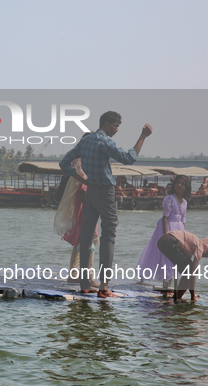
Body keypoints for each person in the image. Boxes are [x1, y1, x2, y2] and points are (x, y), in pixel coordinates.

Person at [59, 111, 152, 298]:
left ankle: (85, 284)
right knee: (108, 235)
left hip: (91, 190)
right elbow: (128, 158)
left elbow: (64, 163)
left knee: (86, 237)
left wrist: (80, 177)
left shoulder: (86, 141)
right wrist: (142, 136)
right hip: (105, 193)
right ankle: (104, 287)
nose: (117, 130)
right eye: (116, 126)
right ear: (106, 124)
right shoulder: (104, 141)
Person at [54, 132, 99, 286]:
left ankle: (74, 274)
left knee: (81, 240)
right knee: (92, 239)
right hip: (85, 206)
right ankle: (89, 276)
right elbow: (84, 185)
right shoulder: (85, 161)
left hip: (81, 205)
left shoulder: (78, 159)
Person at [137, 175, 191, 285]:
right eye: (177, 182)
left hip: (179, 230)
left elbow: (183, 219)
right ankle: (147, 279)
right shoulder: (169, 199)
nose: (179, 185)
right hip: (167, 227)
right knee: (160, 254)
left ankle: (169, 284)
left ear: (186, 188)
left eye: (182, 183)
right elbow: (165, 218)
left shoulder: (184, 202)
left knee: (175, 256)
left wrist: (185, 236)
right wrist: (166, 234)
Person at [157, 230, 208, 301]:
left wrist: (192, 293)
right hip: (170, 241)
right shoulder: (200, 247)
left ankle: (177, 296)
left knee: (187, 271)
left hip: (162, 241)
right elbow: (193, 273)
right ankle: (177, 297)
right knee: (191, 270)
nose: (207, 257)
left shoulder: (192, 246)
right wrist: (192, 295)